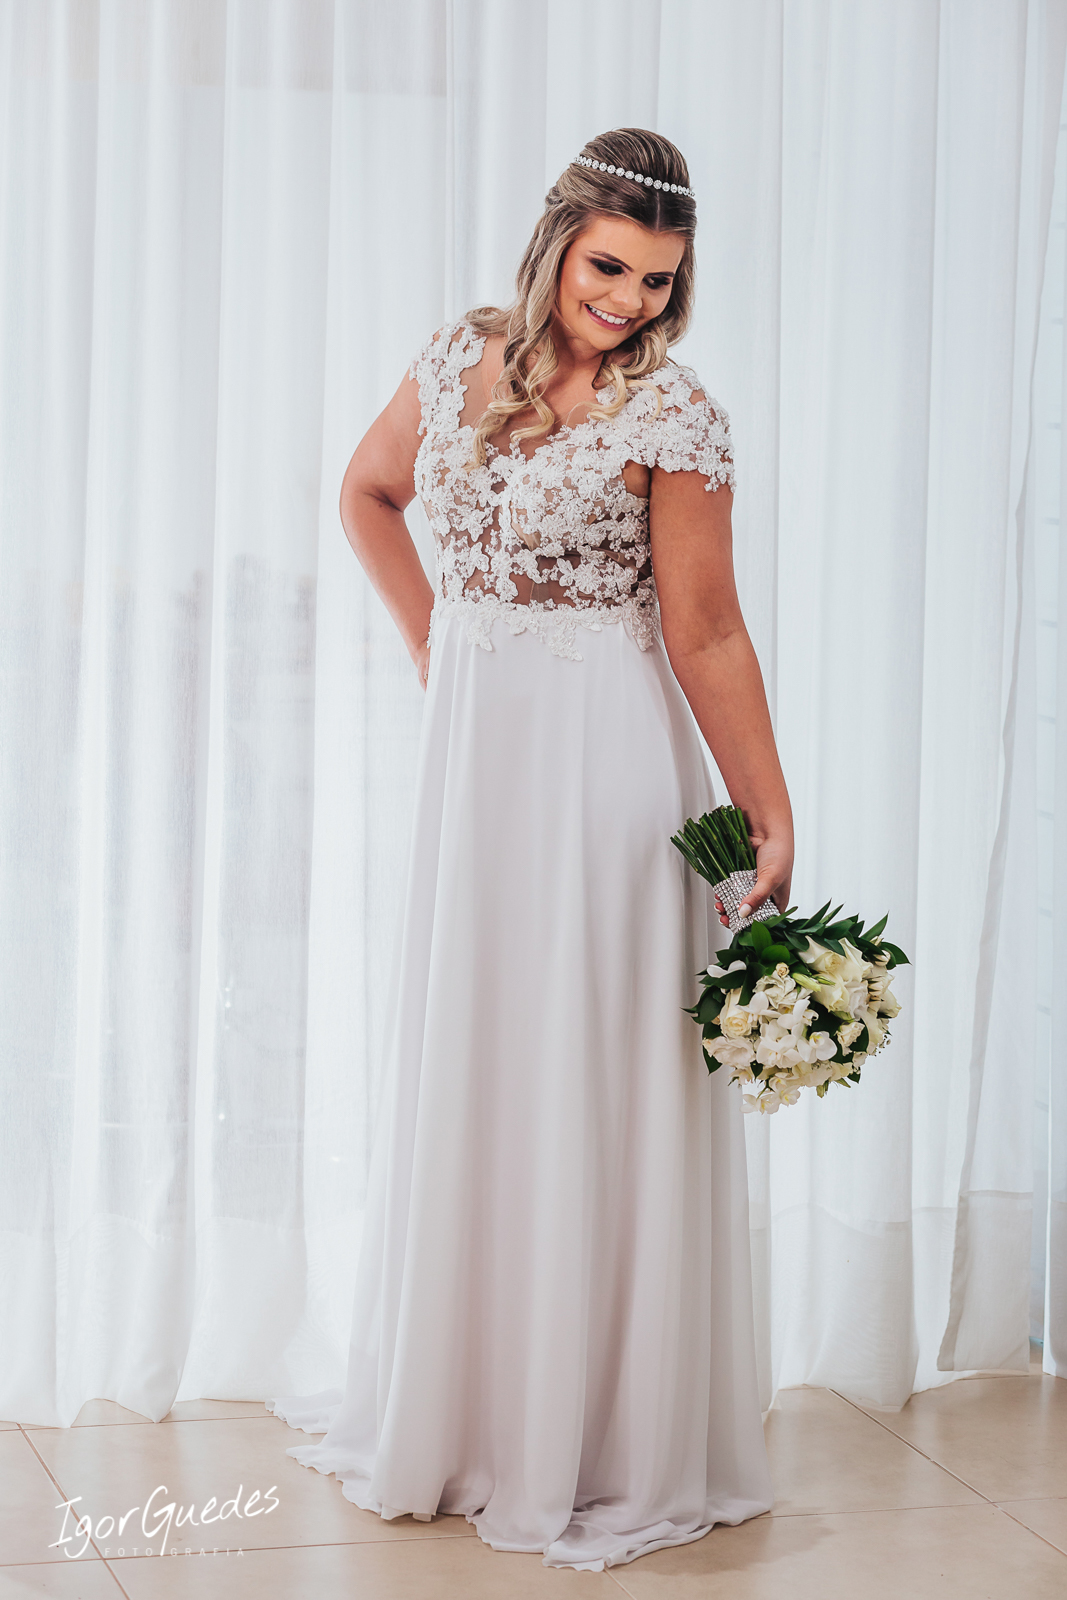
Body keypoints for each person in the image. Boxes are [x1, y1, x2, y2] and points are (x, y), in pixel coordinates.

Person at [267, 127, 792, 1574]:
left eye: (657, 280)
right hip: (480, 759)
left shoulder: (673, 414)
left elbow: (705, 628)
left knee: (593, 1057)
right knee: (484, 1048)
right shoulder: (460, 357)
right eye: (607, 267)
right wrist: (434, 636)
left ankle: (600, 1431)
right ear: (558, 241)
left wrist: (768, 807)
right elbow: (367, 492)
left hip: (610, 757)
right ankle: (474, 1406)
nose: (626, 301)